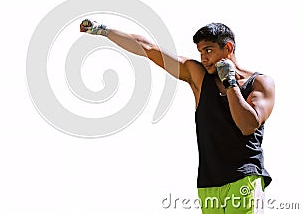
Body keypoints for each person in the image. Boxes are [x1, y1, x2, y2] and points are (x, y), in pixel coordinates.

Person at [80, 19, 275, 213]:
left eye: (208, 50)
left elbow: (247, 125)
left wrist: (230, 82)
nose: (204, 58)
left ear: (228, 48)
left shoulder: (259, 83)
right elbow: (146, 47)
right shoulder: (198, 76)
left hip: (245, 179)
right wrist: (102, 30)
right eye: (200, 52)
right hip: (208, 185)